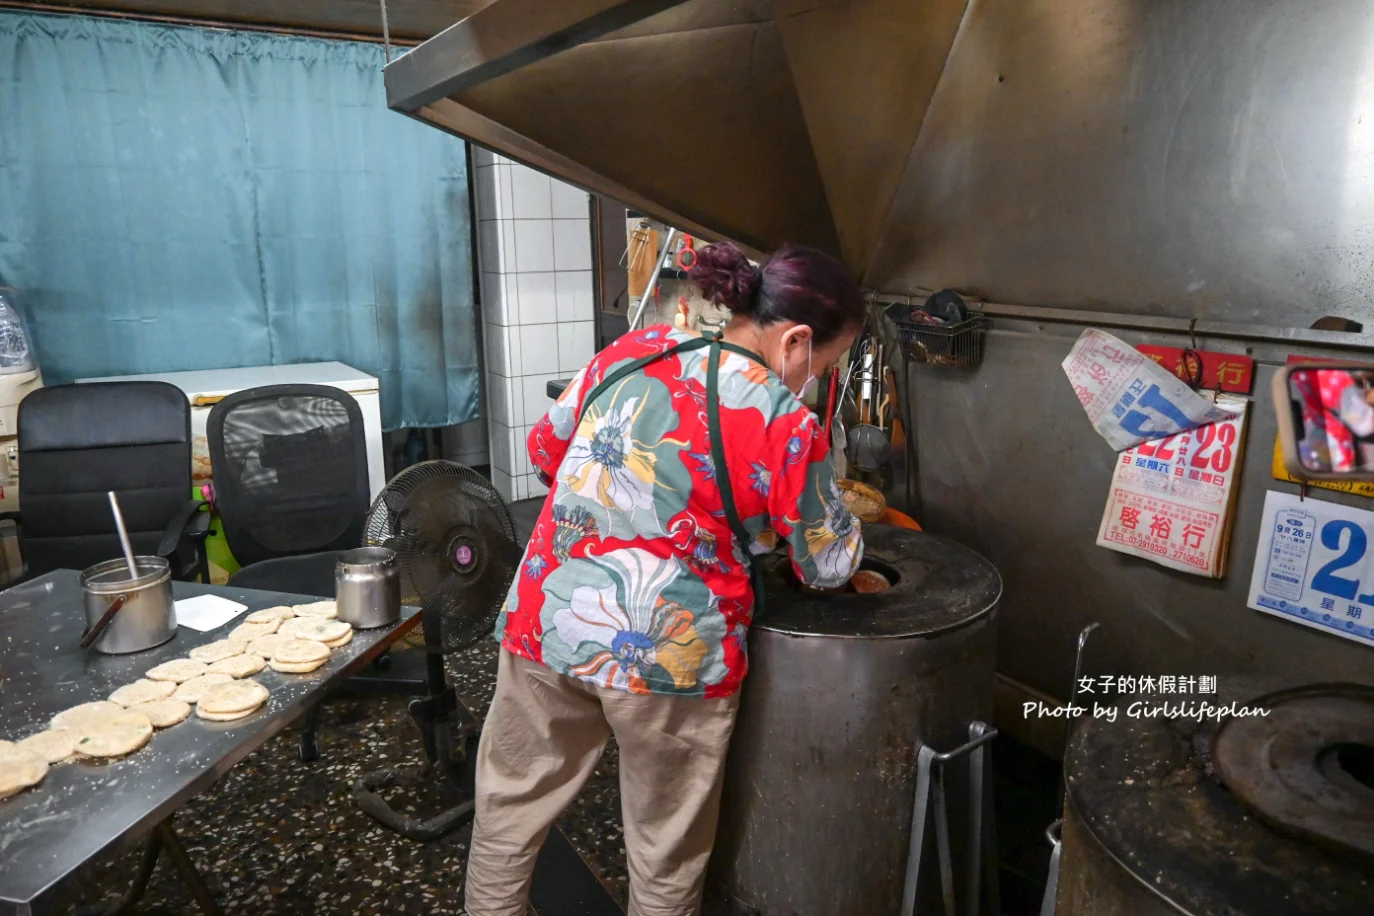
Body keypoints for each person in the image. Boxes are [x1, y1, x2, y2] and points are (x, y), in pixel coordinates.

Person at [463, 241, 867, 916]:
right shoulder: (785, 421)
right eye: (824, 363)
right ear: (797, 339)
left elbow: (545, 450)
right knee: (663, 850)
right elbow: (826, 564)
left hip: (548, 620)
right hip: (671, 656)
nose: (816, 377)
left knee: (508, 810)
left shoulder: (636, 348)